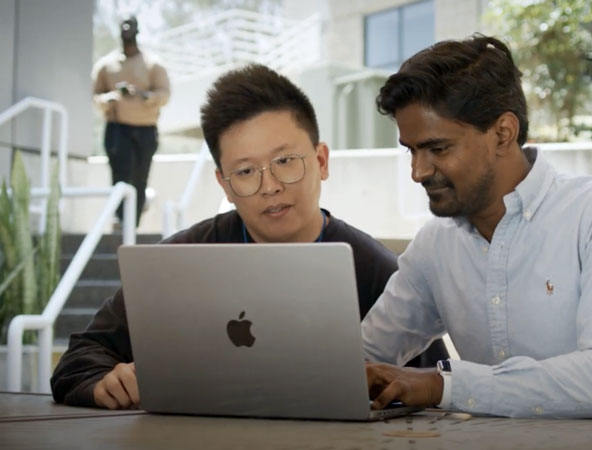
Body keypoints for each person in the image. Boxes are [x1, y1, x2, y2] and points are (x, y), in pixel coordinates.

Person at [52, 64, 447, 409]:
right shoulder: (180, 262)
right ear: (223, 184)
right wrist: (104, 384)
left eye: (285, 161)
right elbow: (79, 359)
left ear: (322, 160)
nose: (270, 186)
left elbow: (435, 382)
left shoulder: (381, 273)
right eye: (245, 171)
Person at [362, 34, 592, 420]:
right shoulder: (435, 245)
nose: (418, 172)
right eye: (411, 150)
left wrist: (443, 385)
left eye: (437, 149)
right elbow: (362, 356)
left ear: (503, 133)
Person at [92, 15, 170, 227]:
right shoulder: (106, 66)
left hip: (145, 130)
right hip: (117, 129)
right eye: (123, 27)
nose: (127, 30)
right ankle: (120, 221)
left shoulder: (153, 65)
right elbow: (94, 96)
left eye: (131, 27)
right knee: (120, 176)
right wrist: (111, 98)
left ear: (137, 31)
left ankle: (132, 224)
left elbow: (164, 94)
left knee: (139, 178)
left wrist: (146, 96)